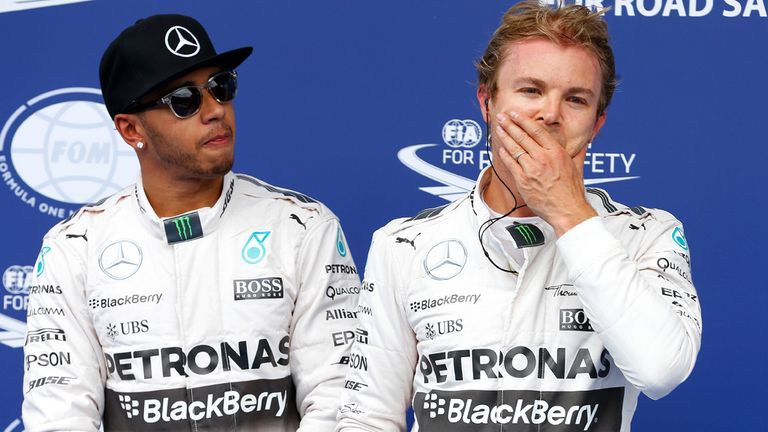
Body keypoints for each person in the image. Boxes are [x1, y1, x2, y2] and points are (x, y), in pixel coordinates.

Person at [336, 2, 701, 431]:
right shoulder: (404, 244)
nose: (550, 114)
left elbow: (662, 370)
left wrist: (568, 212)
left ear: (597, 122)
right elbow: (368, 417)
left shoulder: (647, 234)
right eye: (530, 90)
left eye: (576, 99)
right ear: (487, 101)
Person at [22, 14, 360, 431]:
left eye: (221, 87)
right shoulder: (73, 249)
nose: (215, 111)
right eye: (184, 100)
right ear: (130, 130)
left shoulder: (303, 229)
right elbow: (59, 416)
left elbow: (343, 402)